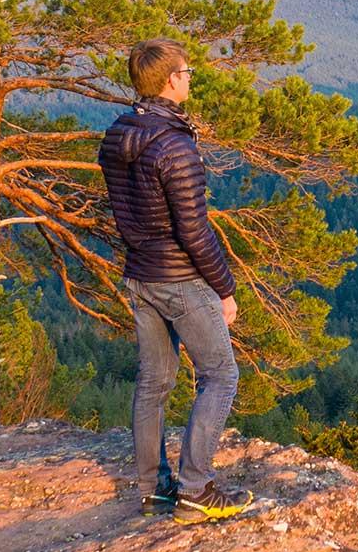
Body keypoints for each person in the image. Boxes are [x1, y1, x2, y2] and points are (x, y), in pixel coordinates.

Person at [98, 38, 257, 524]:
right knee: (221, 376)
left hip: (140, 275)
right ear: (171, 80)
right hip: (179, 279)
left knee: (154, 382)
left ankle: (153, 490)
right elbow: (193, 228)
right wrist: (225, 289)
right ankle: (195, 489)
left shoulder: (116, 137)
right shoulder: (174, 145)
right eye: (187, 72)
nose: (191, 78)